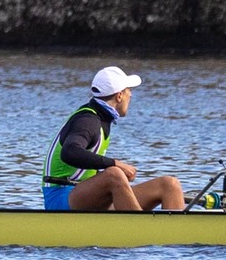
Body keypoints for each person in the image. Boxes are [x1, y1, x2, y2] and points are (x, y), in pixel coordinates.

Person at [41, 67, 186, 212]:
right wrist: (115, 163)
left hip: (86, 196)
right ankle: (141, 229)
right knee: (114, 174)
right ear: (119, 96)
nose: (131, 95)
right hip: (60, 198)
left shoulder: (102, 118)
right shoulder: (87, 120)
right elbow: (69, 152)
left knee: (169, 185)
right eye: (129, 90)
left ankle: (176, 232)